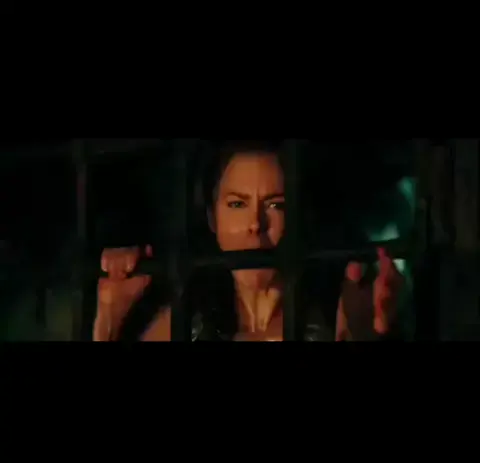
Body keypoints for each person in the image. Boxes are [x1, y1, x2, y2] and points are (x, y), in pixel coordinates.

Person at [94, 141, 405, 342]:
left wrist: (364, 333)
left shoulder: (330, 315)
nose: (256, 224)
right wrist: (108, 319)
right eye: (237, 204)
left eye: (275, 204)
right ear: (212, 218)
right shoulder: (190, 320)